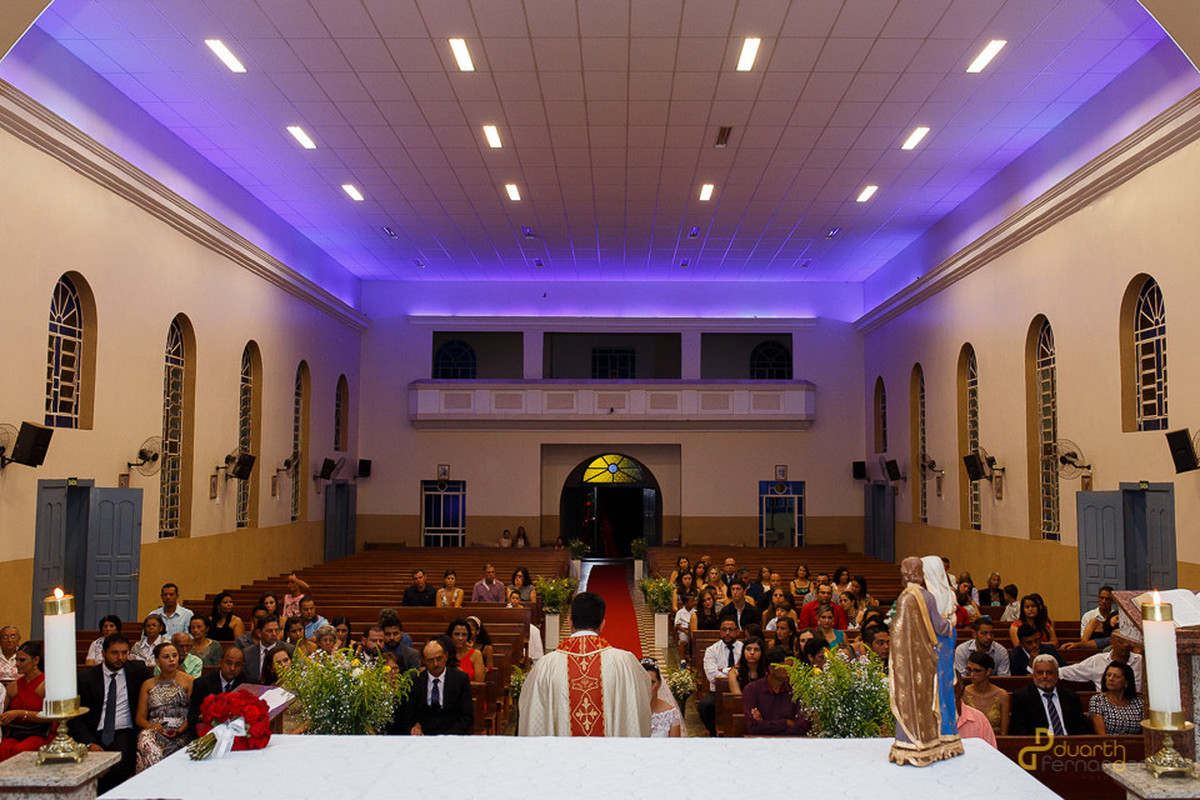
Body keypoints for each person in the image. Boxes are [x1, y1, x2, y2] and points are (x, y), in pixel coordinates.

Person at [519, 592, 651, 736]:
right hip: (611, 756)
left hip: (560, 757)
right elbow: (641, 702)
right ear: (602, 624)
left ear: (570, 622)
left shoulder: (545, 666)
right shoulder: (624, 663)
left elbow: (530, 711)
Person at [888, 556, 962, 766]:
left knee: (929, 695)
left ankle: (934, 735)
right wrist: (950, 625)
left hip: (924, 653)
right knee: (939, 694)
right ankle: (945, 734)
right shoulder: (932, 595)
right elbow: (940, 625)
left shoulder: (912, 596)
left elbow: (899, 624)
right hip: (935, 651)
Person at [70, 633, 150, 792]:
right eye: (114, 653)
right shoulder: (86, 679)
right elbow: (75, 717)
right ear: (103, 653)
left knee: (118, 765)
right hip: (93, 732)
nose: (120, 657)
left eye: (124, 653)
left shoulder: (138, 671)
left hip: (123, 731)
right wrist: (89, 743)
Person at [392, 635, 473, 736]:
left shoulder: (460, 679)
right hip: (423, 735)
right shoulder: (415, 682)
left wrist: (451, 735)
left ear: (446, 656)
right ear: (424, 661)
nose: (435, 664)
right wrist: (414, 727)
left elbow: (467, 716)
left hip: (453, 733)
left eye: (439, 659)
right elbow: (408, 716)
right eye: (430, 660)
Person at [134, 641, 193, 772]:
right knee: (145, 738)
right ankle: (152, 782)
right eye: (166, 657)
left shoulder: (189, 681)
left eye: (174, 656)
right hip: (156, 730)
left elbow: (193, 713)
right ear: (157, 661)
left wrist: (180, 730)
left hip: (182, 730)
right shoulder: (148, 684)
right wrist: (153, 727)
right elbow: (140, 718)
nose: (172, 660)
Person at [1009, 654, 1091, 736]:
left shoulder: (1071, 697)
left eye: (1049, 673)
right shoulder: (1022, 697)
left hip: (1068, 745)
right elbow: (1021, 732)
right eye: (1040, 673)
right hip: (1038, 745)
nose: (1044, 676)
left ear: (1057, 674)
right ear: (1033, 674)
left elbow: (1081, 729)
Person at [0, 641, 54, 761]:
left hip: (41, 732)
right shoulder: (13, 686)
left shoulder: (47, 684)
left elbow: (52, 715)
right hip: (16, 731)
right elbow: (2, 710)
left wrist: (20, 713)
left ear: (36, 660)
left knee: (20, 750)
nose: (17, 664)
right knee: (3, 749)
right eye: (16, 660)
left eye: (22, 660)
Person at [743, 646, 809, 736]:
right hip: (760, 743)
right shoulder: (752, 690)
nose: (791, 671)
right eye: (787, 667)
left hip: (791, 743)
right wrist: (786, 723)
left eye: (792, 666)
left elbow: (802, 727)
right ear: (771, 668)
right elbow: (753, 727)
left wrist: (765, 724)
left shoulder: (796, 690)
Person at [698, 619, 742, 736]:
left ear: (737, 631)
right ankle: (713, 732)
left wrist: (723, 670)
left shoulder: (744, 648)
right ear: (720, 632)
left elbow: (744, 671)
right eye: (724, 630)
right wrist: (733, 671)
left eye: (731, 630)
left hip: (741, 689)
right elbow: (712, 676)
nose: (727, 633)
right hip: (717, 692)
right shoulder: (712, 650)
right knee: (704, 706)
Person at [188, 648, 245, 734]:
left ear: (242, 666)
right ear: (220, 662)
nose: (232, 668)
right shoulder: (202, 684)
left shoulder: (249, 684)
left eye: (237, 665)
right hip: (209, 733)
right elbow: (192, 718)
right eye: (228, 663)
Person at [1060, 632, 1144, 691]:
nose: (1126, 645)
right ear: (1112, 643)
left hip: (1134, 707)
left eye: (1128, 641)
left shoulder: (1140, 661)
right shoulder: (1098, 660)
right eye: (1121, 642)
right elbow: (1072, 671)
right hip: (1105, 707)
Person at [1089, 661, 1144, 735]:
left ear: (1126, 682)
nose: (1111, 679)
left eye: (1116, 676)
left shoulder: (1138, 702)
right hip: (1109, 745)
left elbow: (1145, 732)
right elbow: (1101, 735)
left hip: (1134, 744)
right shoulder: (1098, 700)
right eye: (1108, 675)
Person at [962, 652, 1009, 735]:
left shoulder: (1002, 695)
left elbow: (1004, 733)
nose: (972, 674)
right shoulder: (963, 693)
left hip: (996, 743)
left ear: (988, 671)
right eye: (969, 670)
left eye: (977, 671)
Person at [242, 615, 292, 683]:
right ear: (259, 633)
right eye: (269, 631)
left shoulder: (289, 649)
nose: (274, 634)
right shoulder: (247, 653)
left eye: (277, 630)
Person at [643, 659, 682, 737]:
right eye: (643, 682)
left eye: (652, 683)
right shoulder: (628, 712)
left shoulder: (671, 714)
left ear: (659, 683)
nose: (647, 688)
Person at [955, 677, 997, 747]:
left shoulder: (980, 719)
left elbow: (991, 755)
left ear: (961, 692)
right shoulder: (930, 721)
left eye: (952, 693)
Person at [674, 591, 697, 661]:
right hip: (684, 630)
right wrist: (686, 631)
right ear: (686, 603)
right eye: (691, 601)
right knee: (683, 642)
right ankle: (682, 659)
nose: (693, 603)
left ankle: (692, 656)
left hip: (694, 630)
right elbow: (677, 625)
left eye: (693, 601)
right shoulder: (680, 612)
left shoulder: (695, 612)